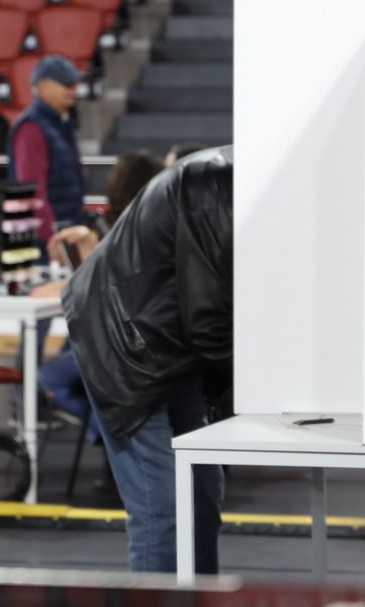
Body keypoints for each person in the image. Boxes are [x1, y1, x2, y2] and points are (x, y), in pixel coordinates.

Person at [61, 146, 233, 575]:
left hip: (170, 347)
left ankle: (199, 599)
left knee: (203, 492)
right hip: (125, 347)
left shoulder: (224, 184)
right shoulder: (211, 188)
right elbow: (210, 318)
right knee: (161, 504)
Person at [32, 151, 164, 423]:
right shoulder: (155, 228)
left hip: (126, 349)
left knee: (45, 378)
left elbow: (102, 286)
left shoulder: (129, 234)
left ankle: (104, 431)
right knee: (74, 344)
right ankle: (106, 431)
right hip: (145, 345)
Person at [7, 54, 84, 247]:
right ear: (42, 87)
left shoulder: (60, 124)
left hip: (61, 234)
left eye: (74, 84)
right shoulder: (31, 128)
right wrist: (52, 237)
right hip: (45, 241)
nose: (74, 90)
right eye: (67, 84)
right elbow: (32, 192)